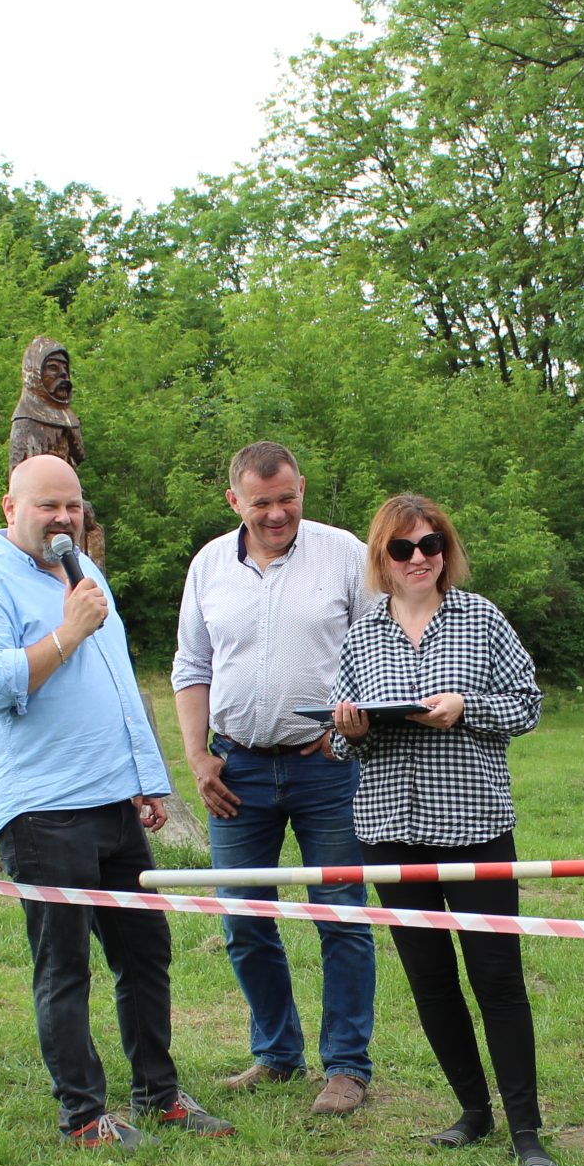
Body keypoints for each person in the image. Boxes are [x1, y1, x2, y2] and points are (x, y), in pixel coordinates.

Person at [0, 454, 230, 1149]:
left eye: (73, 506)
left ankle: (159, 1095)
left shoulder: (85, 574)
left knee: (146, 949)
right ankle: (83, 1116)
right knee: (64, 964)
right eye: (47, 507)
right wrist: (65, 632)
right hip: (42, 809)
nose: (64, 519)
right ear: (11, 508)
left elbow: (117, 681)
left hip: (109, 800)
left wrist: (144, 774)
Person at [330, 494, 553, 1166]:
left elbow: (528, 705)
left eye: (431, 545)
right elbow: (340, 740)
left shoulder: (481, 618)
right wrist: (352, 728)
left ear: (446, 551)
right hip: (390, 832)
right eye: (404, 548)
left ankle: (527, 1131)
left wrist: (467, 708)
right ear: (383, 559)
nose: (419, 558)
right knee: (430, 981)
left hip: (476, 826)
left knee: (497, 978)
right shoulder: (362, 634)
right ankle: (472, 1111)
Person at [173, 442, 376, 1116]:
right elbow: (191, 667)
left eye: (287, 497)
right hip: (238, 769)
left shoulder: (345, 553)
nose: (277, 512)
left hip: (329, 768)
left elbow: (379, 646)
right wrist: (198, 758)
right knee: (243, 919)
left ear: (302, 488)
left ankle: (346, 1067)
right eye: (261, 502)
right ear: (234, 500)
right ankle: (277, 1053)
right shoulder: (208, 565)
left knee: (342, 916)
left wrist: (354, 723)